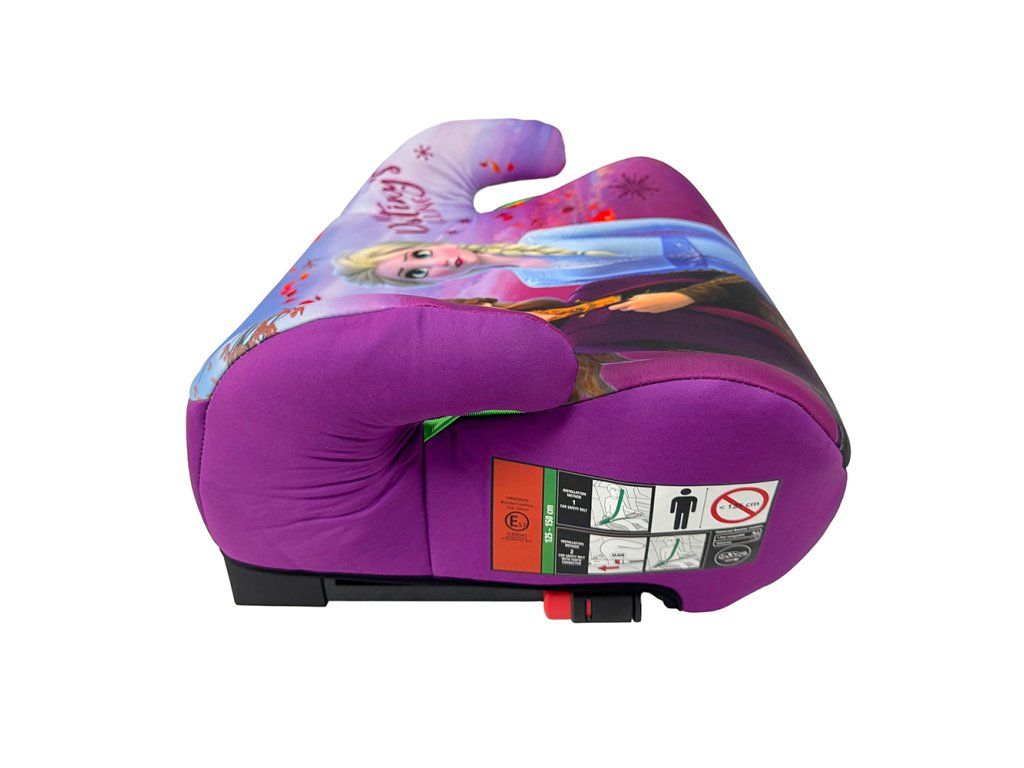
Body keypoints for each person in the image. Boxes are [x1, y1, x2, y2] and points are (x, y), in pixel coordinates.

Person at [334, 218, 763, 293]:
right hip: (689, 277)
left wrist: (692, 242)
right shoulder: (535, 281)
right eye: (416, 273)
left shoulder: (536, 239)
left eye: (421, 254)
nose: (436, 262)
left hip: (696, 249)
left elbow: (634, 231)